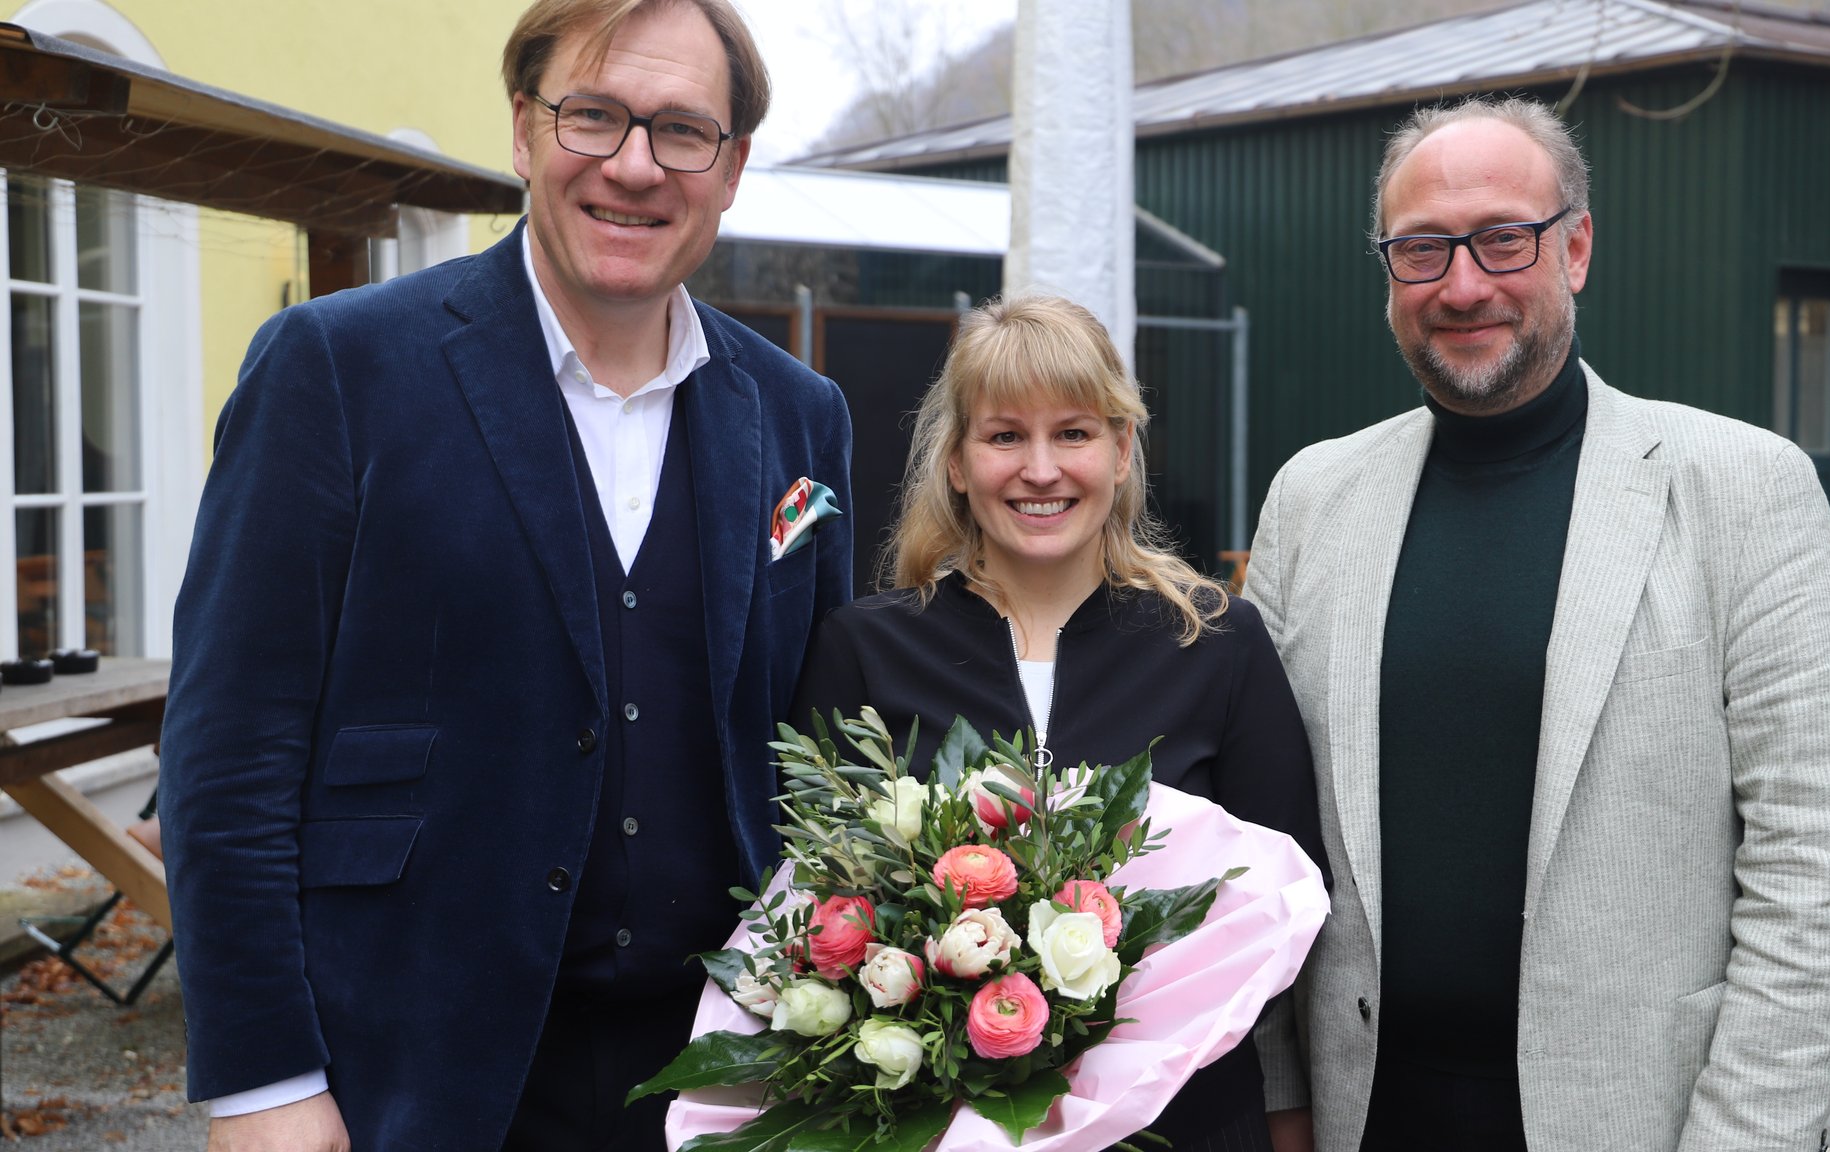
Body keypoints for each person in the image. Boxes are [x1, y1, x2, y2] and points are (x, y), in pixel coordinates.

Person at [156, 1, 852, 1148]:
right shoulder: (335, 368)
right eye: (594, 116)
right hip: (418, 1067)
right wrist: (262, 1077)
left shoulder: (798, 416)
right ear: (525, 132)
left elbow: (813, 754)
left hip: (726, 1071)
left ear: (729, 171)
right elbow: (230, 750)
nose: (633, 165)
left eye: (683, 131)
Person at [1246, 96, 1830, 1152]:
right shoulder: (1311, 499)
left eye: (1501, 239)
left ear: (1574, 248)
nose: (1461, 284)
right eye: (1420, 250)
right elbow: (1254, 839)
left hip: (1640, 1120)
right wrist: (1276, 1101)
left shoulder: (1742, 492)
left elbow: (1807, 872)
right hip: (1366, 1115)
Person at [789, 294, 1326, 1152]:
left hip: (1184, 1122)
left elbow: (1288, 908)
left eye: (1072, 433)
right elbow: (817, 913)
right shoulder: (867, 650)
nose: (1041, 470)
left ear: (1120, 450)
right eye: (1005, 436)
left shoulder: (1215, 642)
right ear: (958, 462)